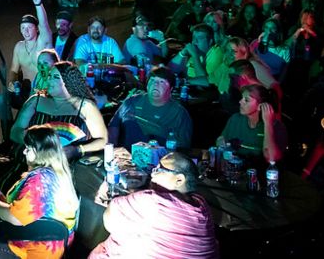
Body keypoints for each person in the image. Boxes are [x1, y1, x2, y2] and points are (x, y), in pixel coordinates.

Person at [0, 125, 79, 259]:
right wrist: (0, 198)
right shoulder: (59, 174)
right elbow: (28, 210)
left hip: (35, 250)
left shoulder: (40, 181)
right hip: (56, 246)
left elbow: (16, 218)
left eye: (28, 148)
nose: (24, 152)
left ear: (39, 152)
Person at [89, 152, 218, 259]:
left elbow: (109, 221)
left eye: (160, 169)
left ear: (179, 180)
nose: (152, 173)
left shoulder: (154, 201)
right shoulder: (201, 204)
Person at [11, 61, 107, 158]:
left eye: (55, 77)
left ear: (70, 82)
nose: (49, 81)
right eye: (49, 76)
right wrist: (32, 139)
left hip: (70, 164)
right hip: (32, 159)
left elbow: (103, 141)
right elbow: (14, 131)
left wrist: (77, 150)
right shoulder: (35, 101)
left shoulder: (85, 106)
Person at [107, 66, 192, 149]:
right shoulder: (132, 102)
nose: (155, 84)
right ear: (147, 85)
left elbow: (183, 146)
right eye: (152, 80)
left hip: (161, 160)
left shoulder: (179, 114)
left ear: (171, 88)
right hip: (128, 158)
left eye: (161, 81)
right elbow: (114, 125)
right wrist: (113, 149)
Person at [6, 0, 54, 104]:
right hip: (26, 90)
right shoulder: (19, 47)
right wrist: (12, 82)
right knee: (2, 99)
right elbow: (14, 70)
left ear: (37, 29)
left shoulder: (43, 42)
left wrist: (38, 4)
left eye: (29, 27)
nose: (25, 31)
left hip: (44, 91)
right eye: (23, 28)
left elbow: (44, 24)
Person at [217, 84, 286, 164]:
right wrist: (223, 146)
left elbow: (271, 158)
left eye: (246, 100)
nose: (240, 102)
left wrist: (268, 124)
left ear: (260, 106)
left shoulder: (277, 127)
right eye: (242, 98)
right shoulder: (235, 119)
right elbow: (221, 140)